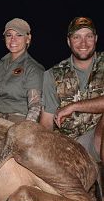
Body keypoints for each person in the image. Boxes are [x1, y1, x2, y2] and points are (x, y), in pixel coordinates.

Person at [40, 16, 104, 161]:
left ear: (96, 39)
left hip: (98, 139)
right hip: (70, 147)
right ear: (69, 41)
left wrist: (74, 106)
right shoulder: (52, 75)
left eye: (89, 36)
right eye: (77, 37)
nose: (83, 43)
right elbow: (46, 122)